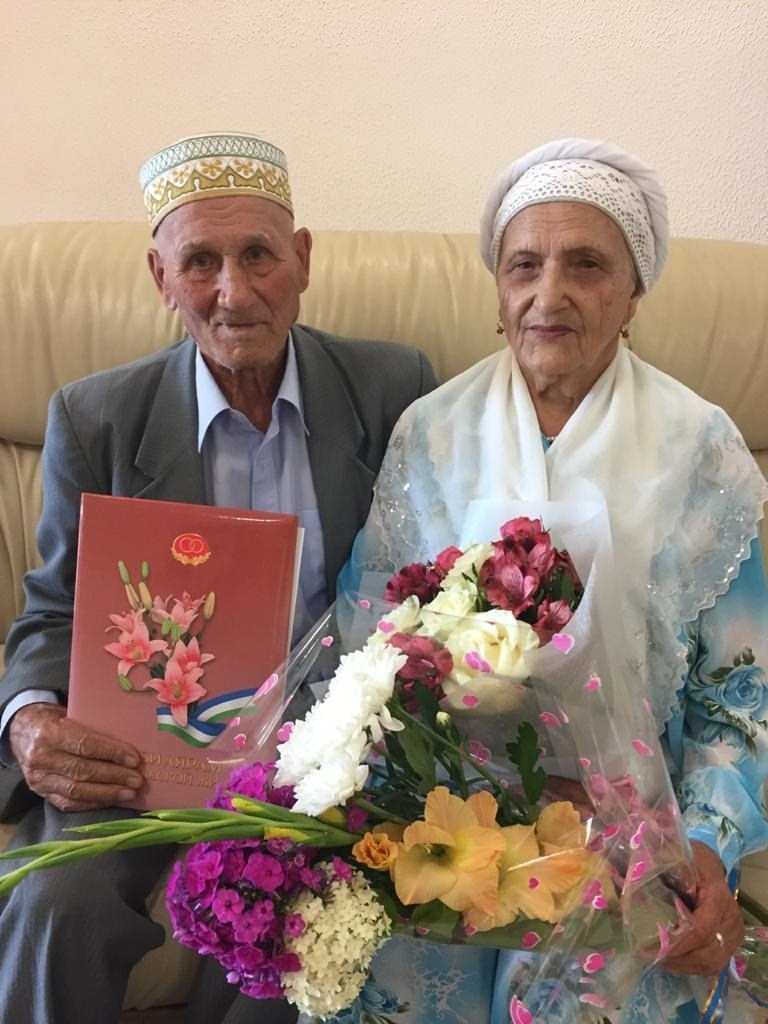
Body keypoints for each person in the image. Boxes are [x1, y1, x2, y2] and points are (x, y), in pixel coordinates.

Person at [0, 131, 437, 1024]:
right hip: (145, 754)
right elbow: (53, 609)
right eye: (200, 261)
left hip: (327, 763)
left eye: (259, 256)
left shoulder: (393, 386)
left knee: (290, 944)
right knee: (54, 904)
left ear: (303, 260)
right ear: (160, 277)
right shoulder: (94, 417)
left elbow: (428, 580)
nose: (234, 292)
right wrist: (28, 719)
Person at [338, 139, 768, 1022]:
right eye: (524, 265)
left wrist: (706, 847)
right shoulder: (432, 431)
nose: (550, 292)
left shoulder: (701, 445)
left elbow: (741, 691)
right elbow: (366, 640)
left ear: (634, 291)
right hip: (445, 818)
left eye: (587, 265)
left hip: (629, 839)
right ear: (497, 292)